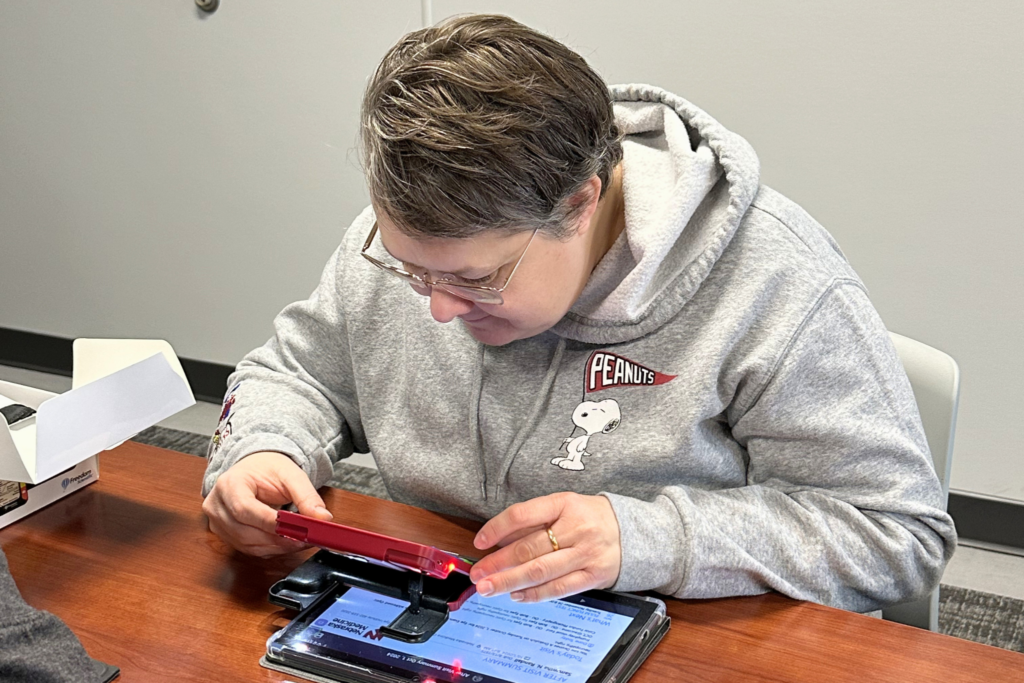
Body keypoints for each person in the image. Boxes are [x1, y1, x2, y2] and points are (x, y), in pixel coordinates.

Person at [202, 14, 956, 613]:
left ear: (580, 203)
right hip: (441, 610)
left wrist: (651, 538)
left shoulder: (776, 283)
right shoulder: (427, 233)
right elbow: (295, 372)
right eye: (407, 267)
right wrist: (263, 451)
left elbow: (896, 534)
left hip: (677, 626)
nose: (433, 306)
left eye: (475, 278)